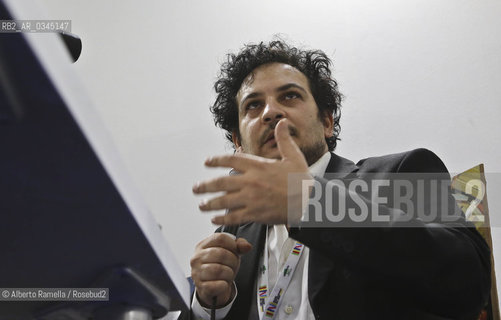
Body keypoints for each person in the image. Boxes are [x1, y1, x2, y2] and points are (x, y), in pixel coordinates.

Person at [187, 40, 491, 319]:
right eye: (253, 105)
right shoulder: (234, 232)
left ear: (327, 122)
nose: (271, 111)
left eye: (289, 96)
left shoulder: (398, 173)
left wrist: (312, 202)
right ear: (238, 141)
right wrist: (208, 304)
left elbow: (468, 284)